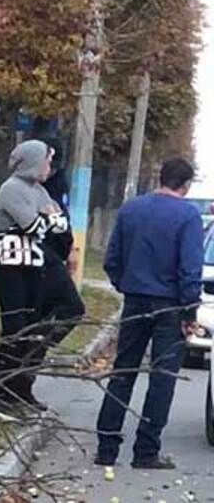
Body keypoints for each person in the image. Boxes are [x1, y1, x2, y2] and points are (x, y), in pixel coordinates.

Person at [94, 158, 204, 469]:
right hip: (171, 306)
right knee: (162, 378)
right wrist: (189, 312)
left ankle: (106, 447)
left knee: (123, 373)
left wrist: (126, 285)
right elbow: (190, 269)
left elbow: (112, 258)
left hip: (135, 300)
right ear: (186, 185)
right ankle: (146, 451)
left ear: (160, 177)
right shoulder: (188, 216)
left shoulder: (131, 209)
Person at [0, 140, 66, 412]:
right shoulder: (11, 189)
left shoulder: (39, 190)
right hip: (12, 269)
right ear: (34, 161)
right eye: (46, 160)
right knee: (15, 330)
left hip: (34, 267)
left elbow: (60, 225)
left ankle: (21, 388)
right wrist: (47, 220)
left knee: (33, 329)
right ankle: (2, 391)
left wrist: (48, 220)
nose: (49, 166)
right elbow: (35, 226)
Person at [37, 138, 86, 351]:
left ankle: (34, 350)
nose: (50, 168)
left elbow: (62, 218)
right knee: (71, 307)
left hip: (56, 253)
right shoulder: (29, 188)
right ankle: (33, 347)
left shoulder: (58, 183)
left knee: (58, 310)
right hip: (40, 256)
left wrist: (71, 248)